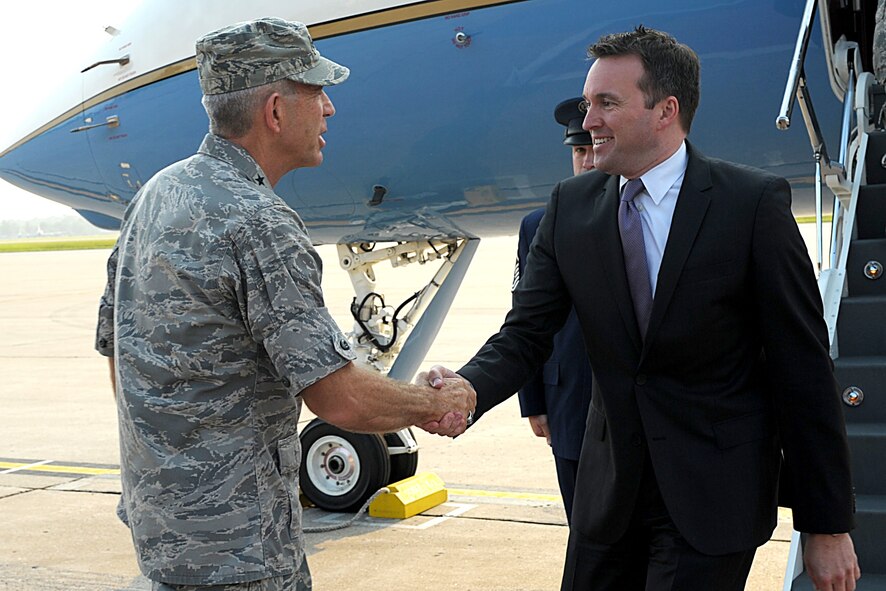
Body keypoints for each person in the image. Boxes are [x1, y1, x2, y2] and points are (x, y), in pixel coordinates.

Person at [421, 26, 860, 591]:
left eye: (607, 103)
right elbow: (526, 333)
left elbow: (803, 369)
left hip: (713, 500)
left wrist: (825, 525)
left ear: (665, 110)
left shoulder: (750, 205)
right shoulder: (570, 207)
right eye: (588, 103)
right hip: (607, 500)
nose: (589, 121)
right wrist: (469, 388)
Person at [95, 17, 474, 591]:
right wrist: (433, 403)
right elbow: (339, 399)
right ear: (275, 112)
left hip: (164, 537)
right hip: (242, 554)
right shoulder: (259, 223)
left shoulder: (156, 195)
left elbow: (119, 356)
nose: (329, 109)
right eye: (316, 92)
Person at [515, 97, 593, 524]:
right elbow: (525, 320)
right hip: (570, 405)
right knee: (583, 533)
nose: (587, 161)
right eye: (579, 151)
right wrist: (533, 399)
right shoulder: (538, 225)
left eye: (595, 148)